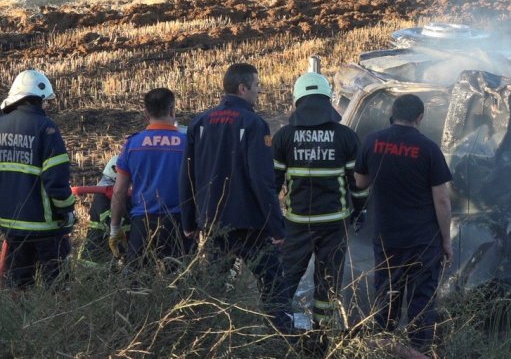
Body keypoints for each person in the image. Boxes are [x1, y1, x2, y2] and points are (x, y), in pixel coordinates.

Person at [178, 63, 292, 332]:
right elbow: (262, 181)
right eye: (257, 86)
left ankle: (212, 337)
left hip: (214, 222)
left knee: (215, 289)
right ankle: (283, 340)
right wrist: (277, 227)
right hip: (251, 224)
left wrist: (189, 221)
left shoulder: (200, 122)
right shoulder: (254, 123)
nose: (259, 91)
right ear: (243, 88)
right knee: (273, 283)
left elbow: (187, 175)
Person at [354, 94, 452, 355]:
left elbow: (360, 183)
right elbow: (442, 200)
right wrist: (446, 241)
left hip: (388, 237)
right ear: (419, 117)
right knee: (422, 299)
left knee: (387, 292)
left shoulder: (372, 141)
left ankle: (383, 344)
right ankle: (418, 350)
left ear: (392, 113)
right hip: (424, 240)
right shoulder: (429, 149)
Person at [273, 73, 365, 334]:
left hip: (296, 225)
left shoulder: (284, 137)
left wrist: (274, 223)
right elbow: (356, 185)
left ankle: (276, 333)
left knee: (285, 281)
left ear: (297, 100)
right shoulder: (346, 136)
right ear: (327, 99)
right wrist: (360, 212)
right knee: (327, 284)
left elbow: (272, 184)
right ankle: (322, 337)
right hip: (335, 225)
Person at [0, 70, 75, 288]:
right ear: (39, 99)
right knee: (58, 286)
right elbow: (56, 180)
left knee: (19, 287)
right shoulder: (46, 128)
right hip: (46, 227)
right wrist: (67, 210)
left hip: (12, 226)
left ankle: (22, 323)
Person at [109, 88, 189, 267]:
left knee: (136, 285)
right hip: (179, 223)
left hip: (143, 223)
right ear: (172, 110)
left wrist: (115, 229)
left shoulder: (133, 144)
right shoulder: (187, 143)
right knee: (181, 283)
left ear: (146, 113)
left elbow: (119, 190)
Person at [77, 156, 127, 266]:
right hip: (95, 256)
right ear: (115, 170)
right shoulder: (102, 194)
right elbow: (109, 220)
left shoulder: (108, 192)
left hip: (107, 253)